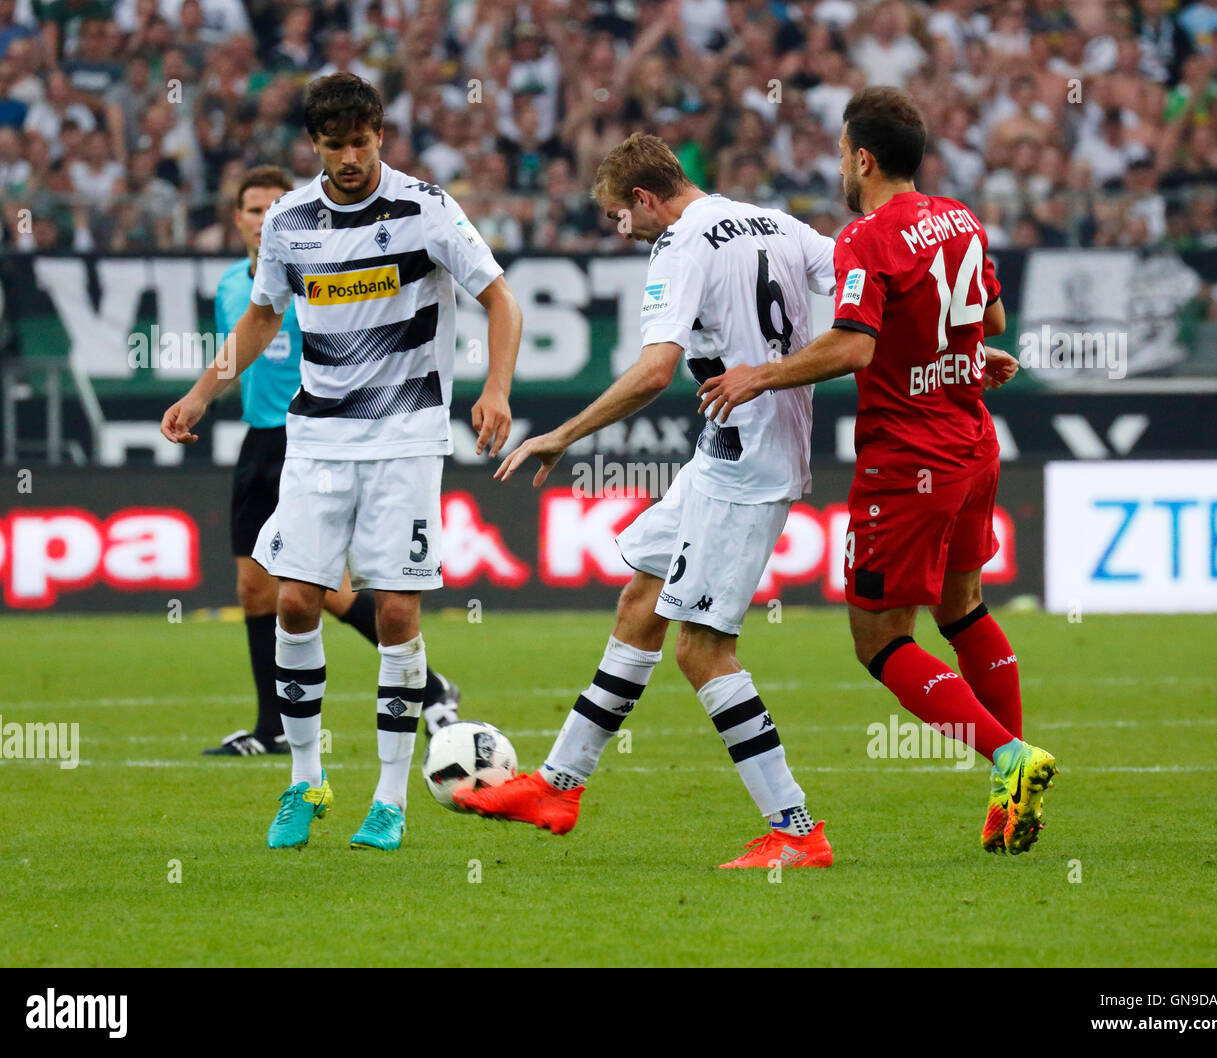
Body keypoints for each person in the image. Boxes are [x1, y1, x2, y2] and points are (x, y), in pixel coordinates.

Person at [161, 73, 522, 851]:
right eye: (335, 146)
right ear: (316, 147)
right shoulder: (290, 219)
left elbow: (501, 298)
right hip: (317, 439)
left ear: (380, 137)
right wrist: (199, 396)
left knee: (395, 613)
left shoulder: (426, 207)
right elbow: (263, 317)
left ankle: (389, 799)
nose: (351, 157)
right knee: (294, 600)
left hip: (406, 438)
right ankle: (304, 781)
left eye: (361, 142)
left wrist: (496, 388)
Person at [454, 133, 834, 870]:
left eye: (613, 218)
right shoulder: (778, 223)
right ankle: (557, 786)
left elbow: (656, 371)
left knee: (701, 649)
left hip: (747, 465)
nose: (616, 232)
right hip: (725, 453)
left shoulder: (680, 247)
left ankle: (796, 830)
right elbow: (867, 292)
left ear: (644, 200)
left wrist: (561, 434)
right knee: (640, 600)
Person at [697, 86, 1058, 855]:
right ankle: (1010, 785)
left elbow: (855, 345)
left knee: (880, 639)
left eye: (839, 151)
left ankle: (1009, 758)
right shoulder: (961, 217)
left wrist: (758, 375)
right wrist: (953, 352)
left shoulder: (865, 236)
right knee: (962, 610)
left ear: (862, 157)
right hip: (972, 440)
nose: (838, 163)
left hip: (909, 460)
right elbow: (987, 321)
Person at [204, 163, 461, 759]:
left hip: (320, 439)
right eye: (251, 206)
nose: (263, 216)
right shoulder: (228, 289)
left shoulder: (316, 266)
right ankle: (272, 725)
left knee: (316, 590)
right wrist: (199, 397)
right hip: (260, 440)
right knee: (254, 587)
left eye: (273, 203)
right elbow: (240, 352)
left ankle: (426, 683)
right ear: (238, 217)